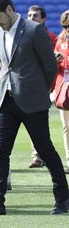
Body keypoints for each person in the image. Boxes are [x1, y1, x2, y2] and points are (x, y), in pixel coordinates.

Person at [0, 0, 69, 216]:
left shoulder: (35, 30)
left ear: (8, 10)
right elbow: (4, 66)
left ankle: (63, 199)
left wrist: (39, 90)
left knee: (45, 150)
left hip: (33, 101)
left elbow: (49, 67)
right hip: (5, 101)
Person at [27, 5, 57, 168]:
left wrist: (49, 85)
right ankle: (37, 156)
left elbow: (52, 63)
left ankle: (41, 155)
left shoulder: (51, 37)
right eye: (30, 15)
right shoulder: (23, 36)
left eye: (36, 16)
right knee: (34, 122)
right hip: (30, 85)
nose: (32, 18)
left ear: (43, 19)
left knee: (40, 123)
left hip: (43, 85)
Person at [53, 9, 69, 174]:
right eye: (67, 25)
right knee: (66, 127)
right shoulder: (60, 40)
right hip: (64, 86)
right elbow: (55, 66)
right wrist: (56, 59)